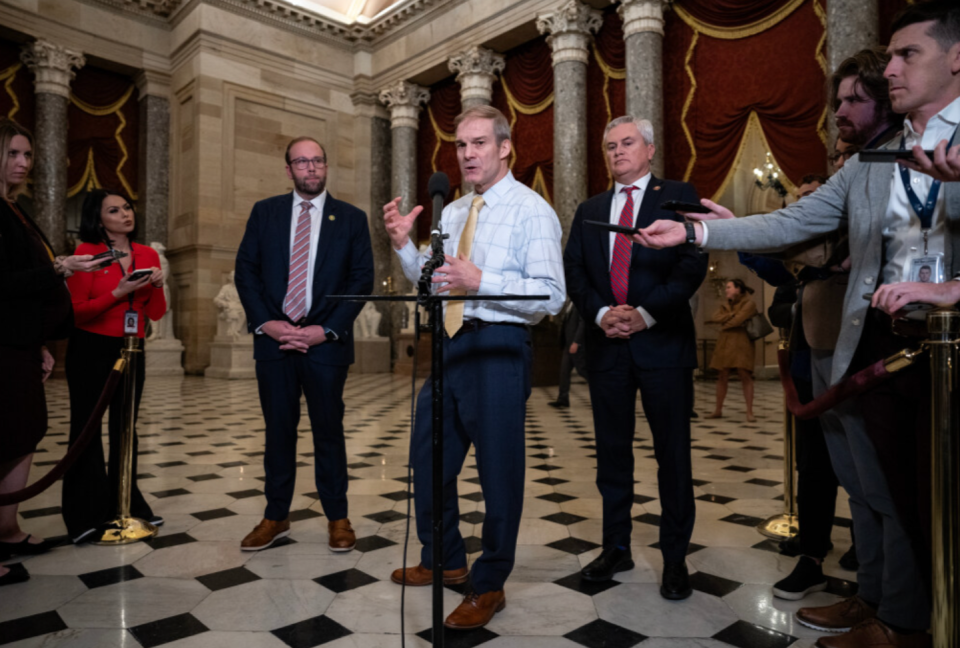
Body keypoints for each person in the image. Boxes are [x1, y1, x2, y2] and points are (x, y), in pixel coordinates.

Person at [635, 3, 960, 645]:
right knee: (877, 486)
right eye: (889, 56)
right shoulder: (879, 155)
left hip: (945, 349)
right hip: (876, 340)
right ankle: (879, 603)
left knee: (922, 498)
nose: (891, 68)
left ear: (955, 58)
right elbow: (790, 224)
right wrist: (698, 231)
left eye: (907, 55)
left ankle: (908, 622)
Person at [384, 105, 565, 629]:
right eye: (461, 145)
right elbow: (436, 279)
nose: (467, 154)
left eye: (479, 143)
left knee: (497, 473)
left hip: (499, 349)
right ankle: (446, 558)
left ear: (505, 147)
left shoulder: (532, 210)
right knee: (429, 460)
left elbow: (551, 296)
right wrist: (403, 248)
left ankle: (488, 585)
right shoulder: (454, 211)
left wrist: (480, 279)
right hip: (449, 347)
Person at [564, 115, 707, 599]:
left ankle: (674, 558)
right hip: (607, 348)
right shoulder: (590, 208)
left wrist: (645, 314)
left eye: (627, 143)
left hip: (662, 345)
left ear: (649, 149)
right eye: (609, 146)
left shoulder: (677, 194)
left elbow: (691, 265)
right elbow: (576, 272)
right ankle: (616, 548)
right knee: (611, 457)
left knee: (673, 457)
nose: (617, 152)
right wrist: (603, 312)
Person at [235, 137, 374, 553]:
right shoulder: (265, 212)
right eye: (302, 162)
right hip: (274, 343)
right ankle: (276, 516)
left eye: (317, 161)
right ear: (288, 169)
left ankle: (338, 518)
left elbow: (361, 280)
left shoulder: (351, 218)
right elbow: (247, 272)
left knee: (329, 431)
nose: (311, 168)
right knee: (279, 431)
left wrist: (326, 330)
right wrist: (269, 324)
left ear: (326, 167)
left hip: (325, 345)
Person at [0, 119, 100, 585]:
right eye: (13, 154)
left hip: (19, 341)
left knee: (26, 431)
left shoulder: (14, 209)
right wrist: (60, 267)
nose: (22, 163)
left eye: (27, 155)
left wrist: (39, 341)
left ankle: (7, 528)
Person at [62, 189, 166, 543]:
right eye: (114, 210)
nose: (125, 214)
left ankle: (126, 504)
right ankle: (85, 515)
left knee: (126, 428)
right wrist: (118, 293)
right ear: (98, 217)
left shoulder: (147, 253)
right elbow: (77, 311)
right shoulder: (86, 253)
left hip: (133, 346)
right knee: (87, 428)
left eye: (126, 207)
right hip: (91, 346)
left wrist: (158, 285)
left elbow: (156, 312)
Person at [705, 279, 758, 422]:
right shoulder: (725, 304)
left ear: (738, 288)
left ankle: (749, 412)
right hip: (725, 342)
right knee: (722, 376)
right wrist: (731, 315)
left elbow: (738, 321)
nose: (726, 290)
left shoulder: (749, 303)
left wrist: (726, 321)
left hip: (742, 342)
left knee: (744, 375)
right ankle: (718, 410)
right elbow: (714, 317)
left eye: (729, 287)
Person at [549, 299, 587, 408]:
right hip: (567, 343)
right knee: (564, 372)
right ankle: (563, 399)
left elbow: (582, 324)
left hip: (575, 344)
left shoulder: (579, 303)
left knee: (583, 370)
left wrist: (576, 342)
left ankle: (602, 391)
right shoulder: (569, 303)